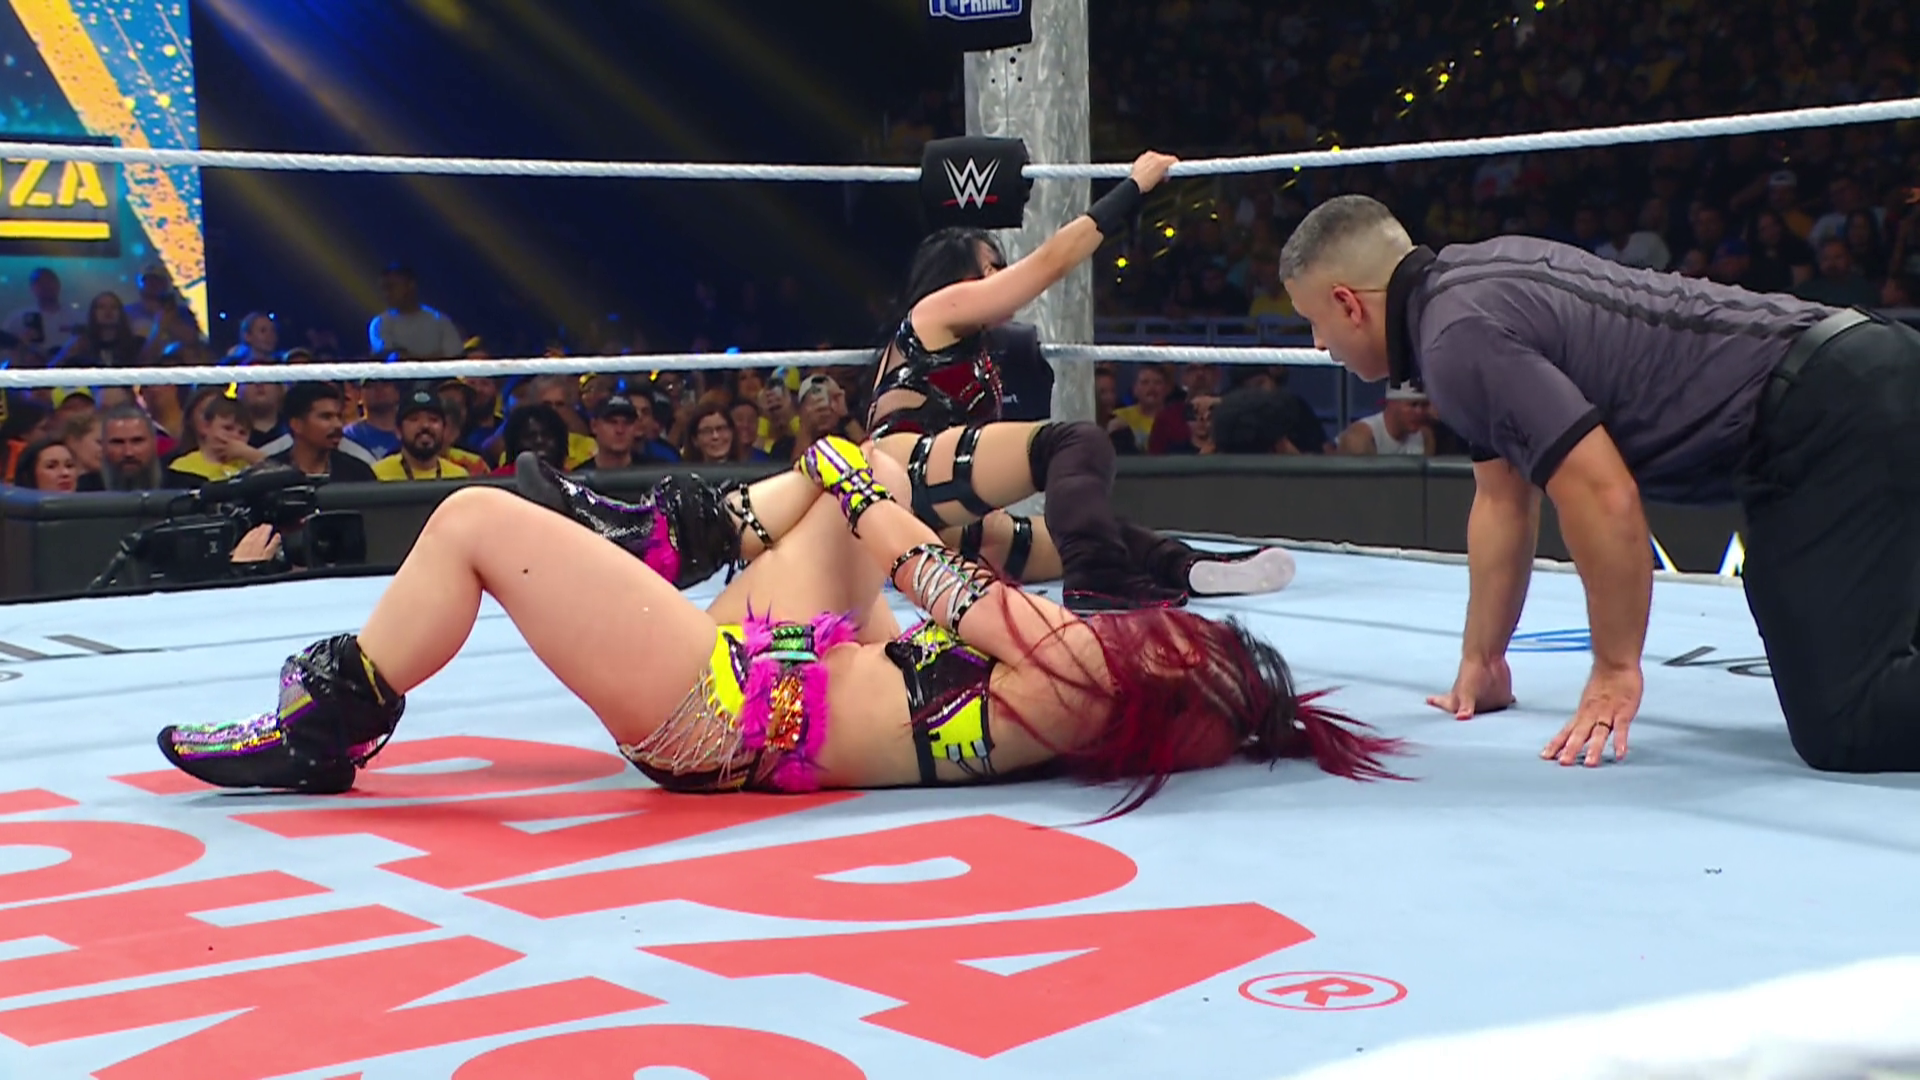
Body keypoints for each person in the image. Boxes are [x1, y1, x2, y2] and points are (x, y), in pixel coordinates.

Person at [156, 436, 1399, 811]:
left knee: (474, 519)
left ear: (1185, 677)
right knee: (876, 465)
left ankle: (328, 722)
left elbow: (933, 576)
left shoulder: (1083, 676)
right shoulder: (1095, 703)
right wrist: (859, 487)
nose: (1160, 630)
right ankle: (662, 535)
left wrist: (854, 497)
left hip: (726, 717)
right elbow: (920, 597)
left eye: (1184, 641)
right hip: (790, 679)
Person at [1277, 192, 1920, 774]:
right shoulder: (1468, 291)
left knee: (1847, 722)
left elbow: (1602, 494)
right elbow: (1503, 499)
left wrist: (1615, 670)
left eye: (1314, 320)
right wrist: (1483, 661)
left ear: (1348, 303)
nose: (1318, 343)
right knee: (1825, 623)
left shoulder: (1456, 339)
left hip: (1833, 412)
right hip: (1861, 372)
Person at [519, 151, 1295, 606]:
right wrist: (1137, 189)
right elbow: (1049, 263)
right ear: (962, 271)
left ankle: (1190, 569)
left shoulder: (962, 344)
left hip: (928, 507)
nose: (996, 276)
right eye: (989, 264)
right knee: (1075, 444)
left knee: (1078, 535)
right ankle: (1099, 586)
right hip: (906, 472)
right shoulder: (939, 308)